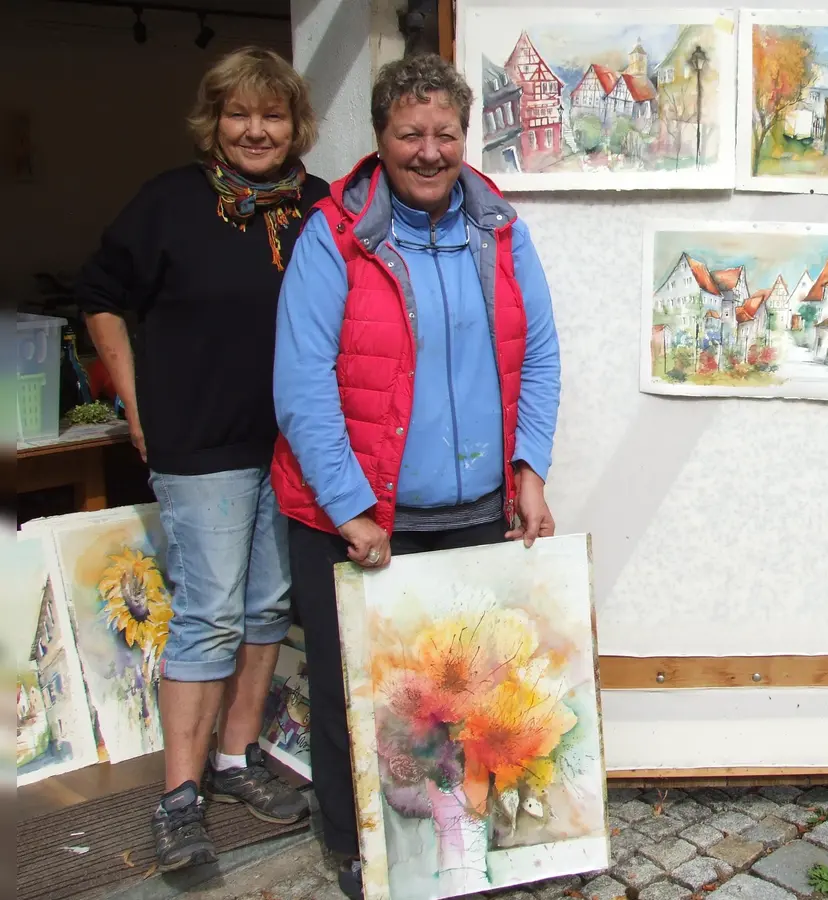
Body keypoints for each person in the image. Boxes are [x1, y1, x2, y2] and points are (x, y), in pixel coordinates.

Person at [271, 53, 560, 900]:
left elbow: (537, 354)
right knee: (359, 693)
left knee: (464, 695)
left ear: (464, 135)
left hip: (473, 508)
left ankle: (462, 847)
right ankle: (364, 852)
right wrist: (351, 506)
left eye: (445, 133)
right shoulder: (334, 234)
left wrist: (529, 468)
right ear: (381, 138)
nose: (430, 152)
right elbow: (302, 383)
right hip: (360, 515)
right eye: (410, 134)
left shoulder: (499, 227)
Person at [77, 47, 326, 871]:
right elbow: (101, 299)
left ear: (296, 125)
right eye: (239, 114)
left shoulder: (320, 208)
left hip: (289, 445)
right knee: (212, 610)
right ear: (213, 122)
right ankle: (179, 797)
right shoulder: (171, 203)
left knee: (266, 607)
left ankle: (234, 759)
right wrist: (135, 403)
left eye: (273, 115)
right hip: (202, 443)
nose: (257, 130)